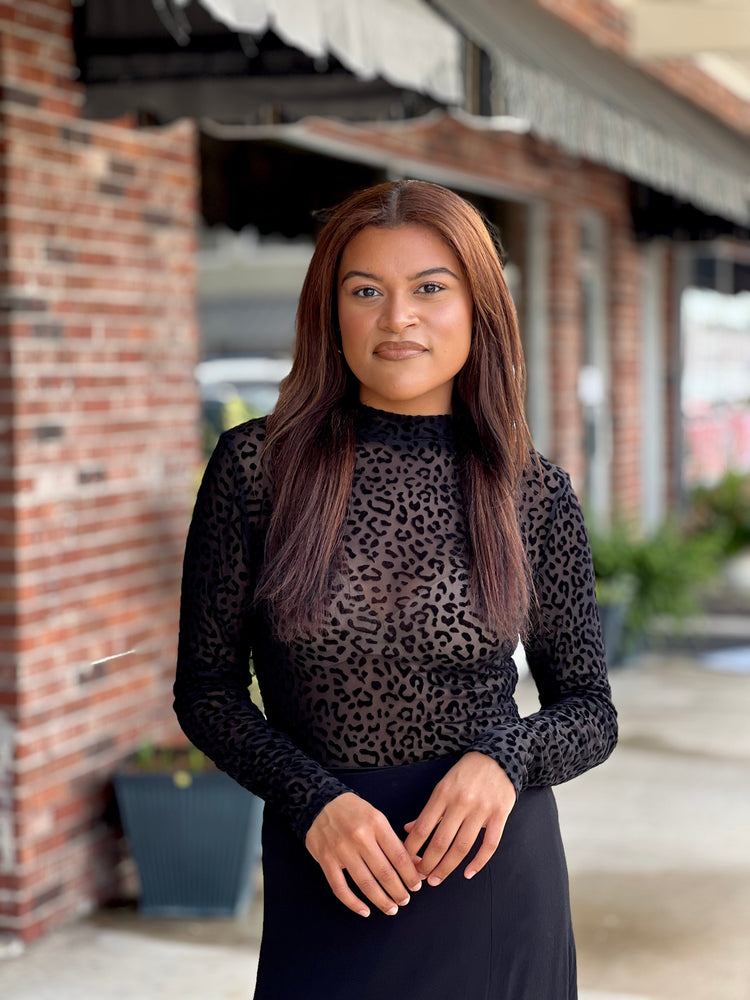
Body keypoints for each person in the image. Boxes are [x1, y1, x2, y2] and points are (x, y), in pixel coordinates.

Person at [174, 179, 618, 1000]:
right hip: (333, 862)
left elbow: (590, 708)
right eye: (365, 291)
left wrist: (505, 758)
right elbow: (206, 693)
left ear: (478, 308)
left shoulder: (530, 489)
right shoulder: (255, 472)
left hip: (492, 874)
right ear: (330, 311)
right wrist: (312, 800)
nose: (397, 317)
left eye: (429, 289)